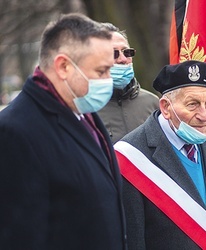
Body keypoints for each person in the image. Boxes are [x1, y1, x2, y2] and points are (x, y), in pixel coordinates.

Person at [0, 13, 127, 249]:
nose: (109, 80)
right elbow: (18, 236)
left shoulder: (83, 111)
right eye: (101, 71)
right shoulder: (14, 131)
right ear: (64, 66)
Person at [114, 60, 206, 249]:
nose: (204, 115)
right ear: (166, 107)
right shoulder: (131, 156)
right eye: (193, 104)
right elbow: (132, 239)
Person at [98, 22, 159, 144]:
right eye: (113, 53)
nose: (123, 59)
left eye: (126, 52)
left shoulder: (153, 103)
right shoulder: (85, 107)